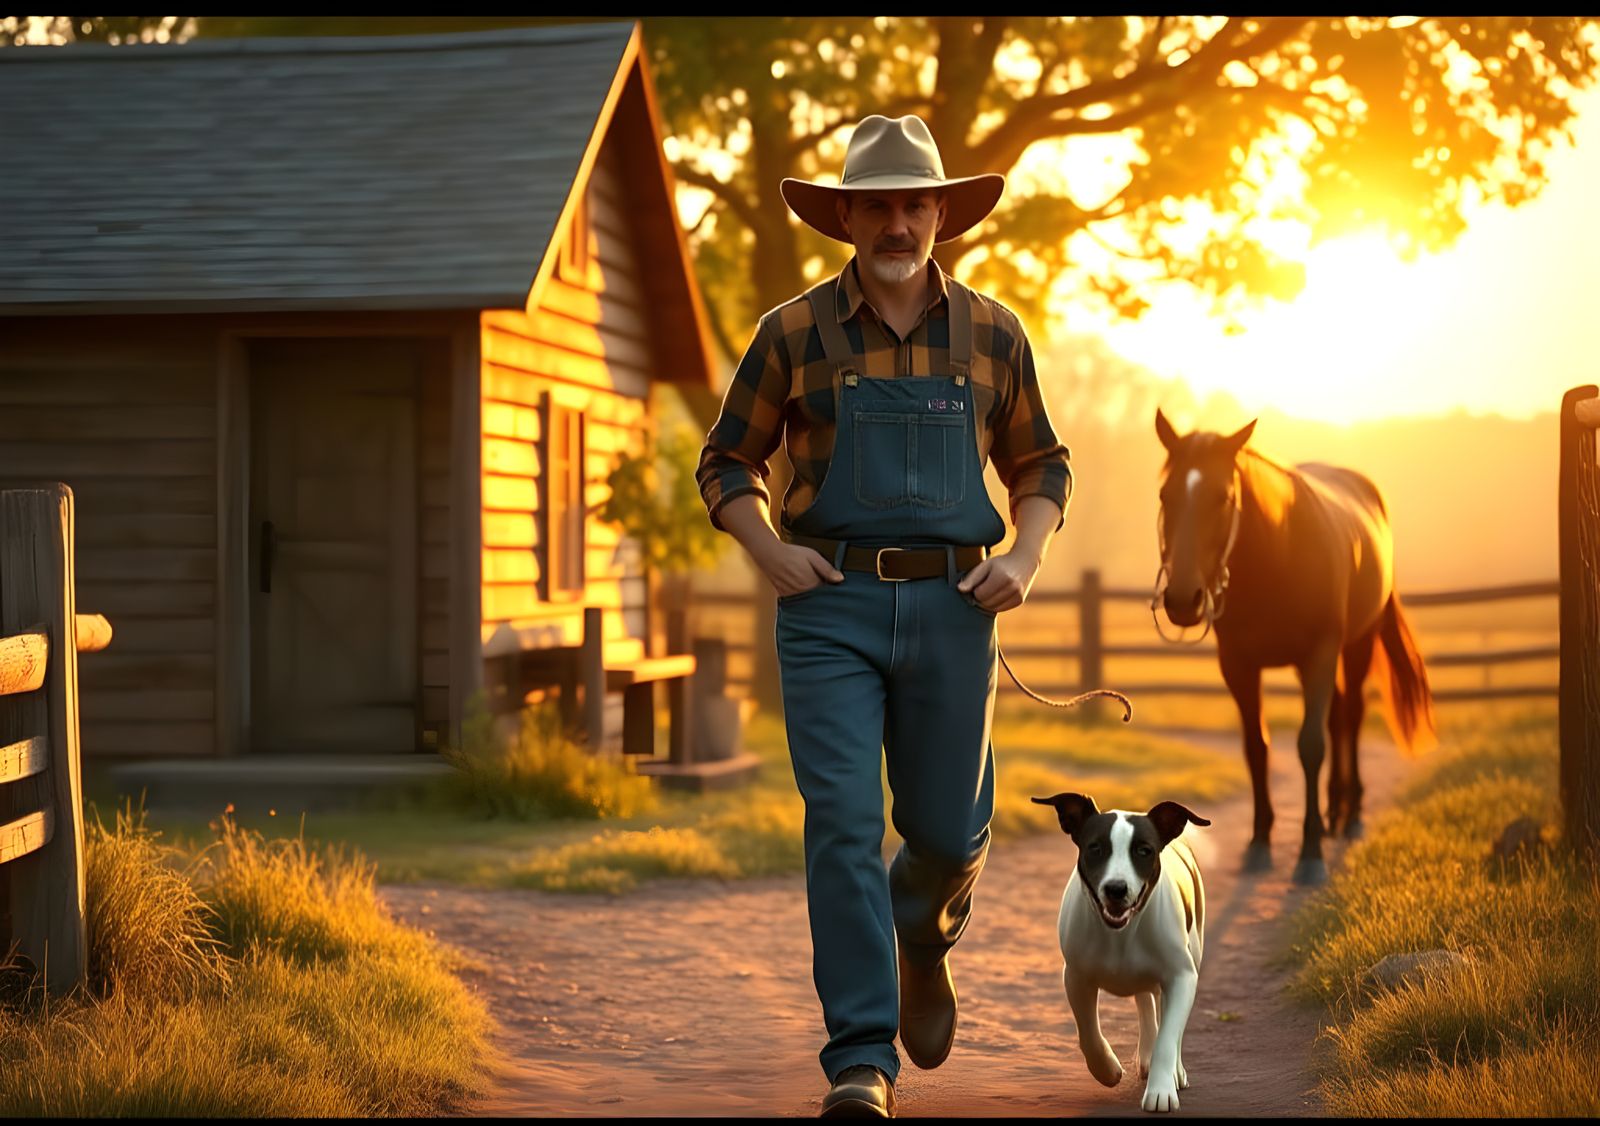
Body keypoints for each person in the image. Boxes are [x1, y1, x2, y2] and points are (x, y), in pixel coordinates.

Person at [695, 114, 1072, 1118]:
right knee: (843, 826)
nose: (898, 224)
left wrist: (1025, 558)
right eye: (878, 206)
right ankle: (860, 1058)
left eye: (915, 204)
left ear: (940, 213)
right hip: (830, 610)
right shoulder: (790, 331)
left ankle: (923, 934)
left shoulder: (994, 332)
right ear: (847, 217)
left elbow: (1042, 464)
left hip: (956, 605)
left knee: (948, 834)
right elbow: (727, 458)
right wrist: (769, 548)